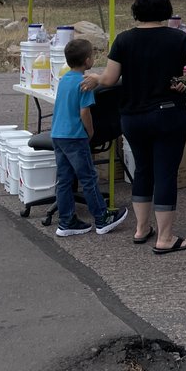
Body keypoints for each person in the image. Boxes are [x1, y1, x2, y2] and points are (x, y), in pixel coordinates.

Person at [82, 0, 186, 255]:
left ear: (137, 9)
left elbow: (109, 79)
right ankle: (165, 238)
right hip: (168, 114)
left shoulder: (124, 40)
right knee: (165, 173)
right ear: (166, 9)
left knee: (142, 170)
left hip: (132, 117)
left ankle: (141, 229)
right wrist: (183, 81)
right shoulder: (177, 37)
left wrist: (94, 78)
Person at [51, 38, 129, 237]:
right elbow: (85, 112)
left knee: (64, 179)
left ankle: (66, 220)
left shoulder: (64, 80)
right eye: (92, 55)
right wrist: (91, 132)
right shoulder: (85, 84)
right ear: (87, 61)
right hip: (75, 136)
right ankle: (102, 217)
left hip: (58, 134)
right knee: (88, 177)